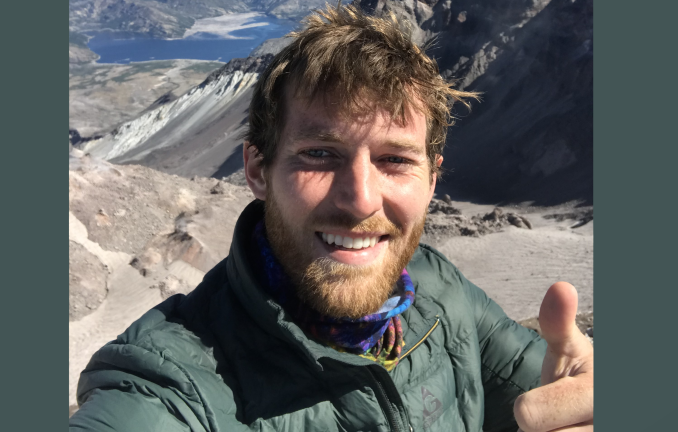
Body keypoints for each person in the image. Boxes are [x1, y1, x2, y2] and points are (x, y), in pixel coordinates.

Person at [70, 5, 593, 432]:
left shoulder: (443, 292)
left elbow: (554, 389)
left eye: (395, 160)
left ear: (432, 181)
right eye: (319, 154)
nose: (361, 200)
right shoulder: (173, 381)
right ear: (257, 169)